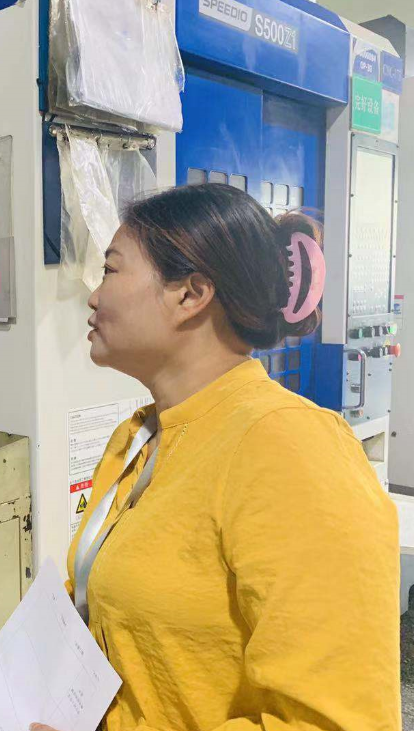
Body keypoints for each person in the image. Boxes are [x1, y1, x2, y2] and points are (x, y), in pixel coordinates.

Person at [31, 184, 399, 731]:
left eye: (110, 270)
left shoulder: (287, 447)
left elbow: (336, 722)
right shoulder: (140, 436)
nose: (93, 297)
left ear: (191, 294)